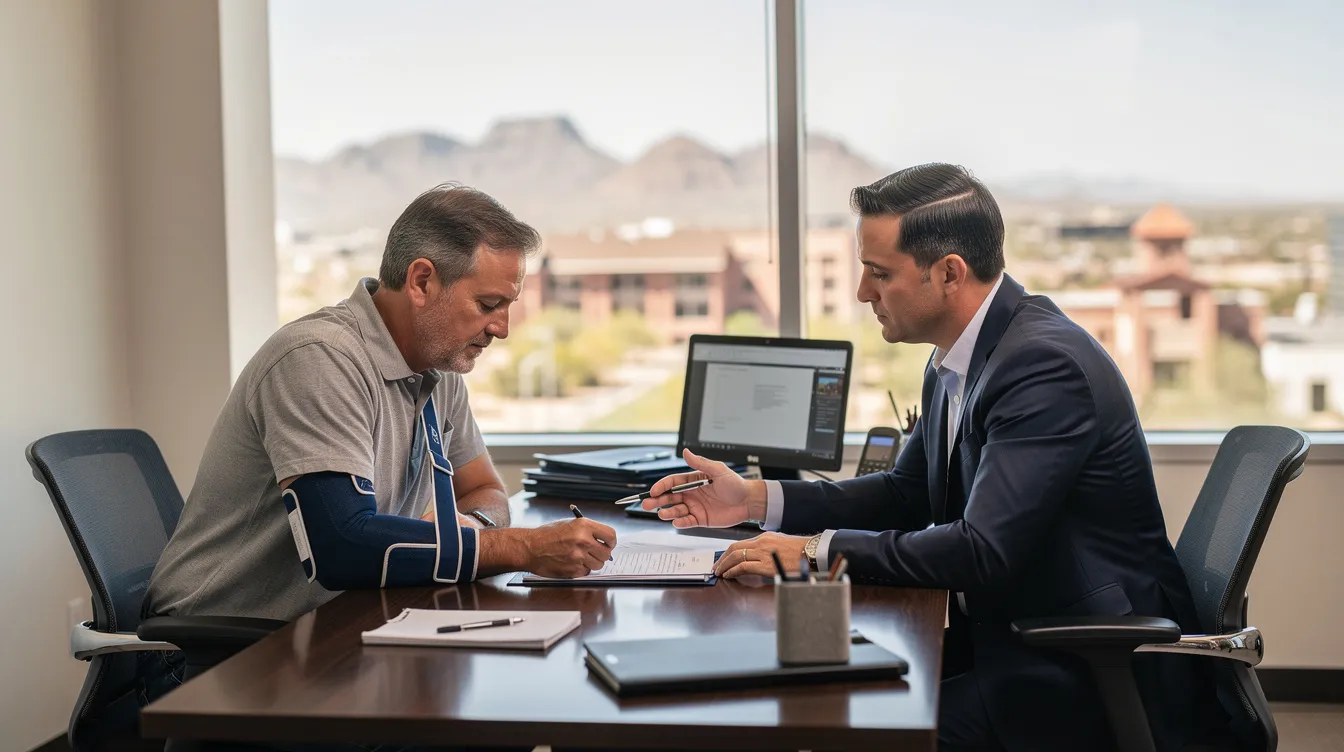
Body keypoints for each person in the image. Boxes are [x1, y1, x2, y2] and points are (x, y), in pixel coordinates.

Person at [644, 164, 1217, 751]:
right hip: (1004, 639)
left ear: (949, 273)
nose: (863, 292)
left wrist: (812, 552)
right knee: (802, 697)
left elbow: (982, 549)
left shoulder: (1042, 368)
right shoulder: (958, 357)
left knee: (839, 727)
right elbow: (907, 492)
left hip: (1071, 669)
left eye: (878, 273)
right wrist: (756, 499)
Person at [146, 184, 616, 628]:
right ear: (422, 281)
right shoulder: (318, 359)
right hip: (219, 649)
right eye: (489, 303)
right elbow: (343, 545)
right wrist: (518, 548)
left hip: (343, 622)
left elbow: (485, 490)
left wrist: (470, 527)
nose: (502, 328)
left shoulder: (439, 369)